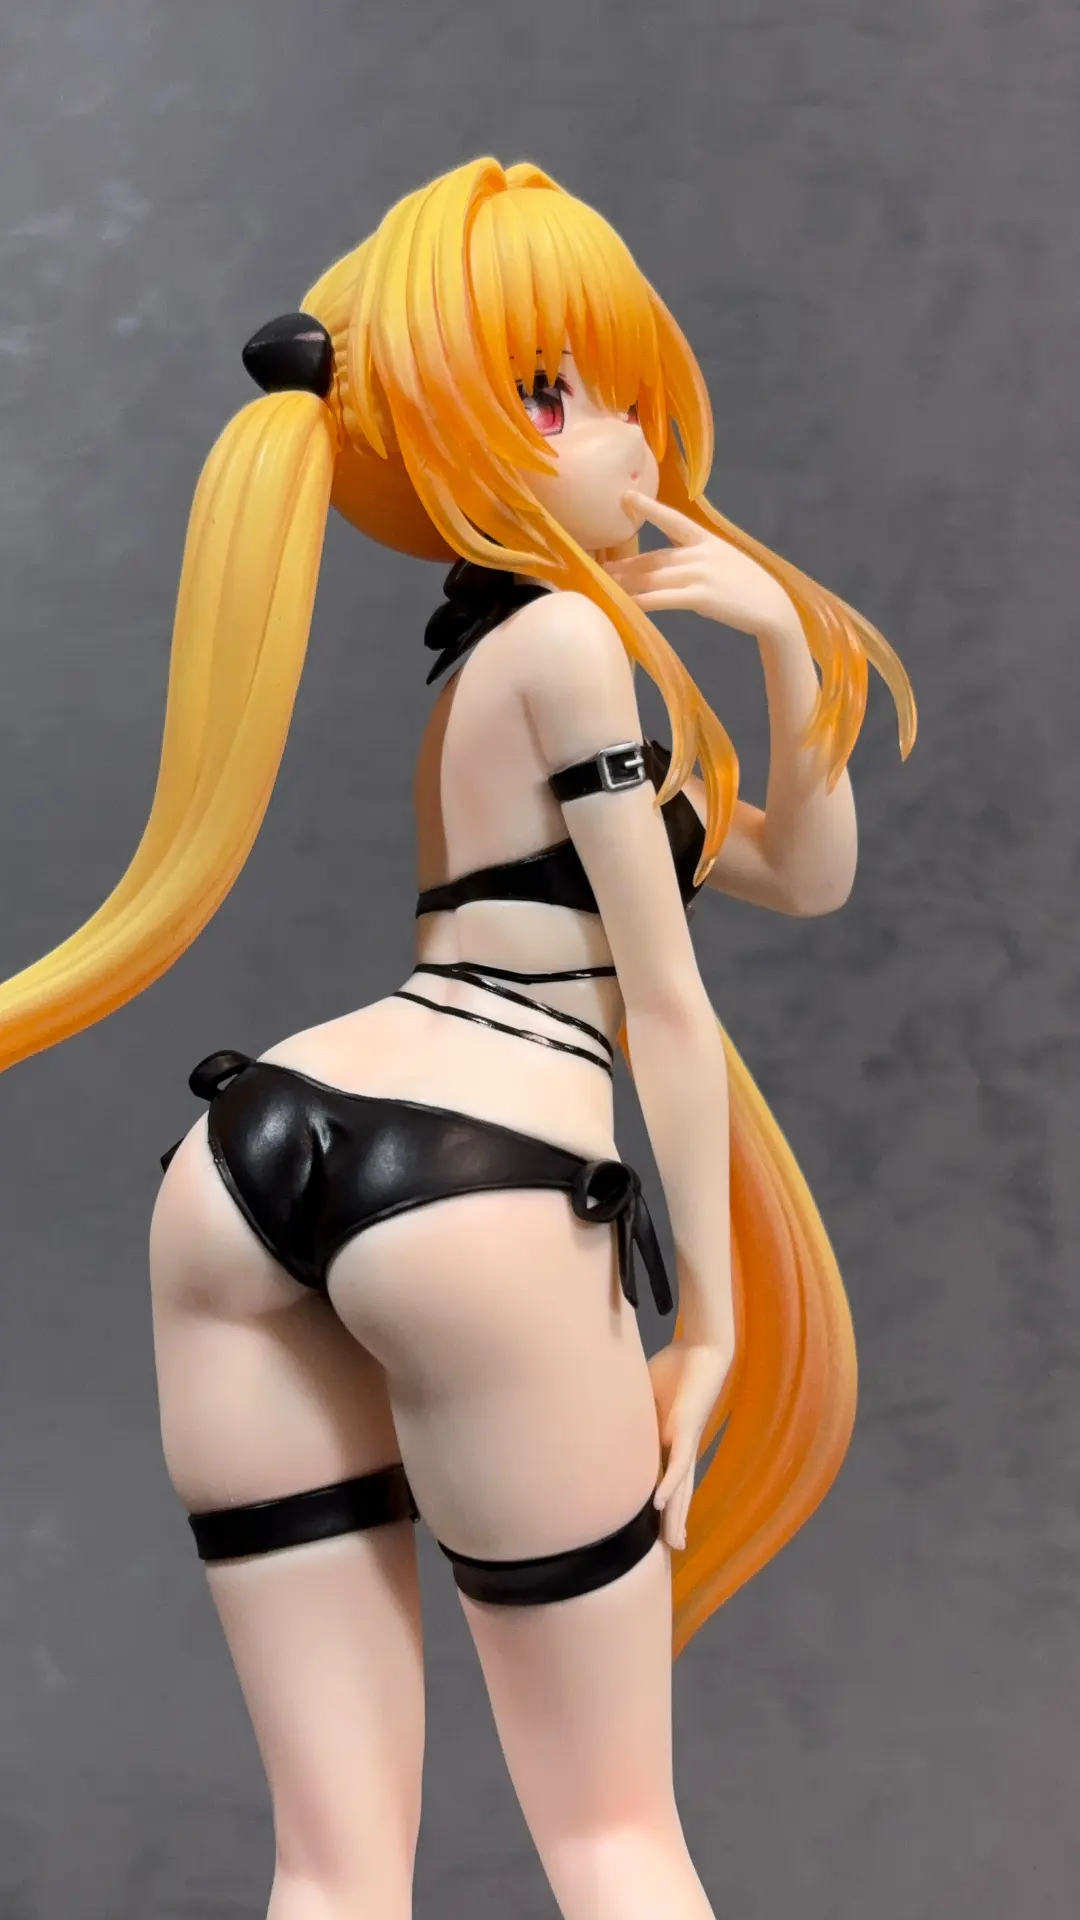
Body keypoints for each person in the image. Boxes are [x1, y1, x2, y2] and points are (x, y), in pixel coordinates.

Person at [0, 158, 915, 1920]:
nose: (628, 439)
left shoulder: (498, 664)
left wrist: (790, 658)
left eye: (630, 389)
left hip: (258, 1157)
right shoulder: (568, 641)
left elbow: (803, 873)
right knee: (613, 1835)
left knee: (333, 1867)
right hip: (484, 1181)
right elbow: (666, 1002)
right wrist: (715, 1328)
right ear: (442, 426)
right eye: (558, 391)